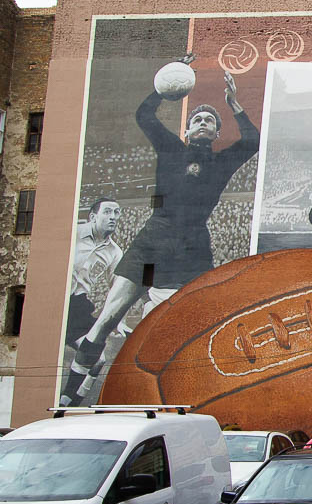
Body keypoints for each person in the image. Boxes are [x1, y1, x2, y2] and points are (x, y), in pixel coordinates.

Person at [59, 63, 259, 406]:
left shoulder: (224, 161)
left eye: (210, 121)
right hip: (153, 242)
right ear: (186, 131)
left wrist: (233, 102)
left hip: (190, 250)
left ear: (215, 133)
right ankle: (68, 397)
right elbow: (144, 116)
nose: (203, 123)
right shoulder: (170, 148)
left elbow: (252, 140)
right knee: (107, 319)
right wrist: (163, 90)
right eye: (197, 119)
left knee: (179, 331)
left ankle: (179, 397)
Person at [65, 198, 123, 349]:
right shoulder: (73, 233)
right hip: (55, 298)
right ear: (92, 217)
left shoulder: (115, 252)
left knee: (97, 361)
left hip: (77, 304)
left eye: (116, 212)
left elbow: (117, 288)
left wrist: (118, 321)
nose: (113, 217)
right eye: (107, 212)